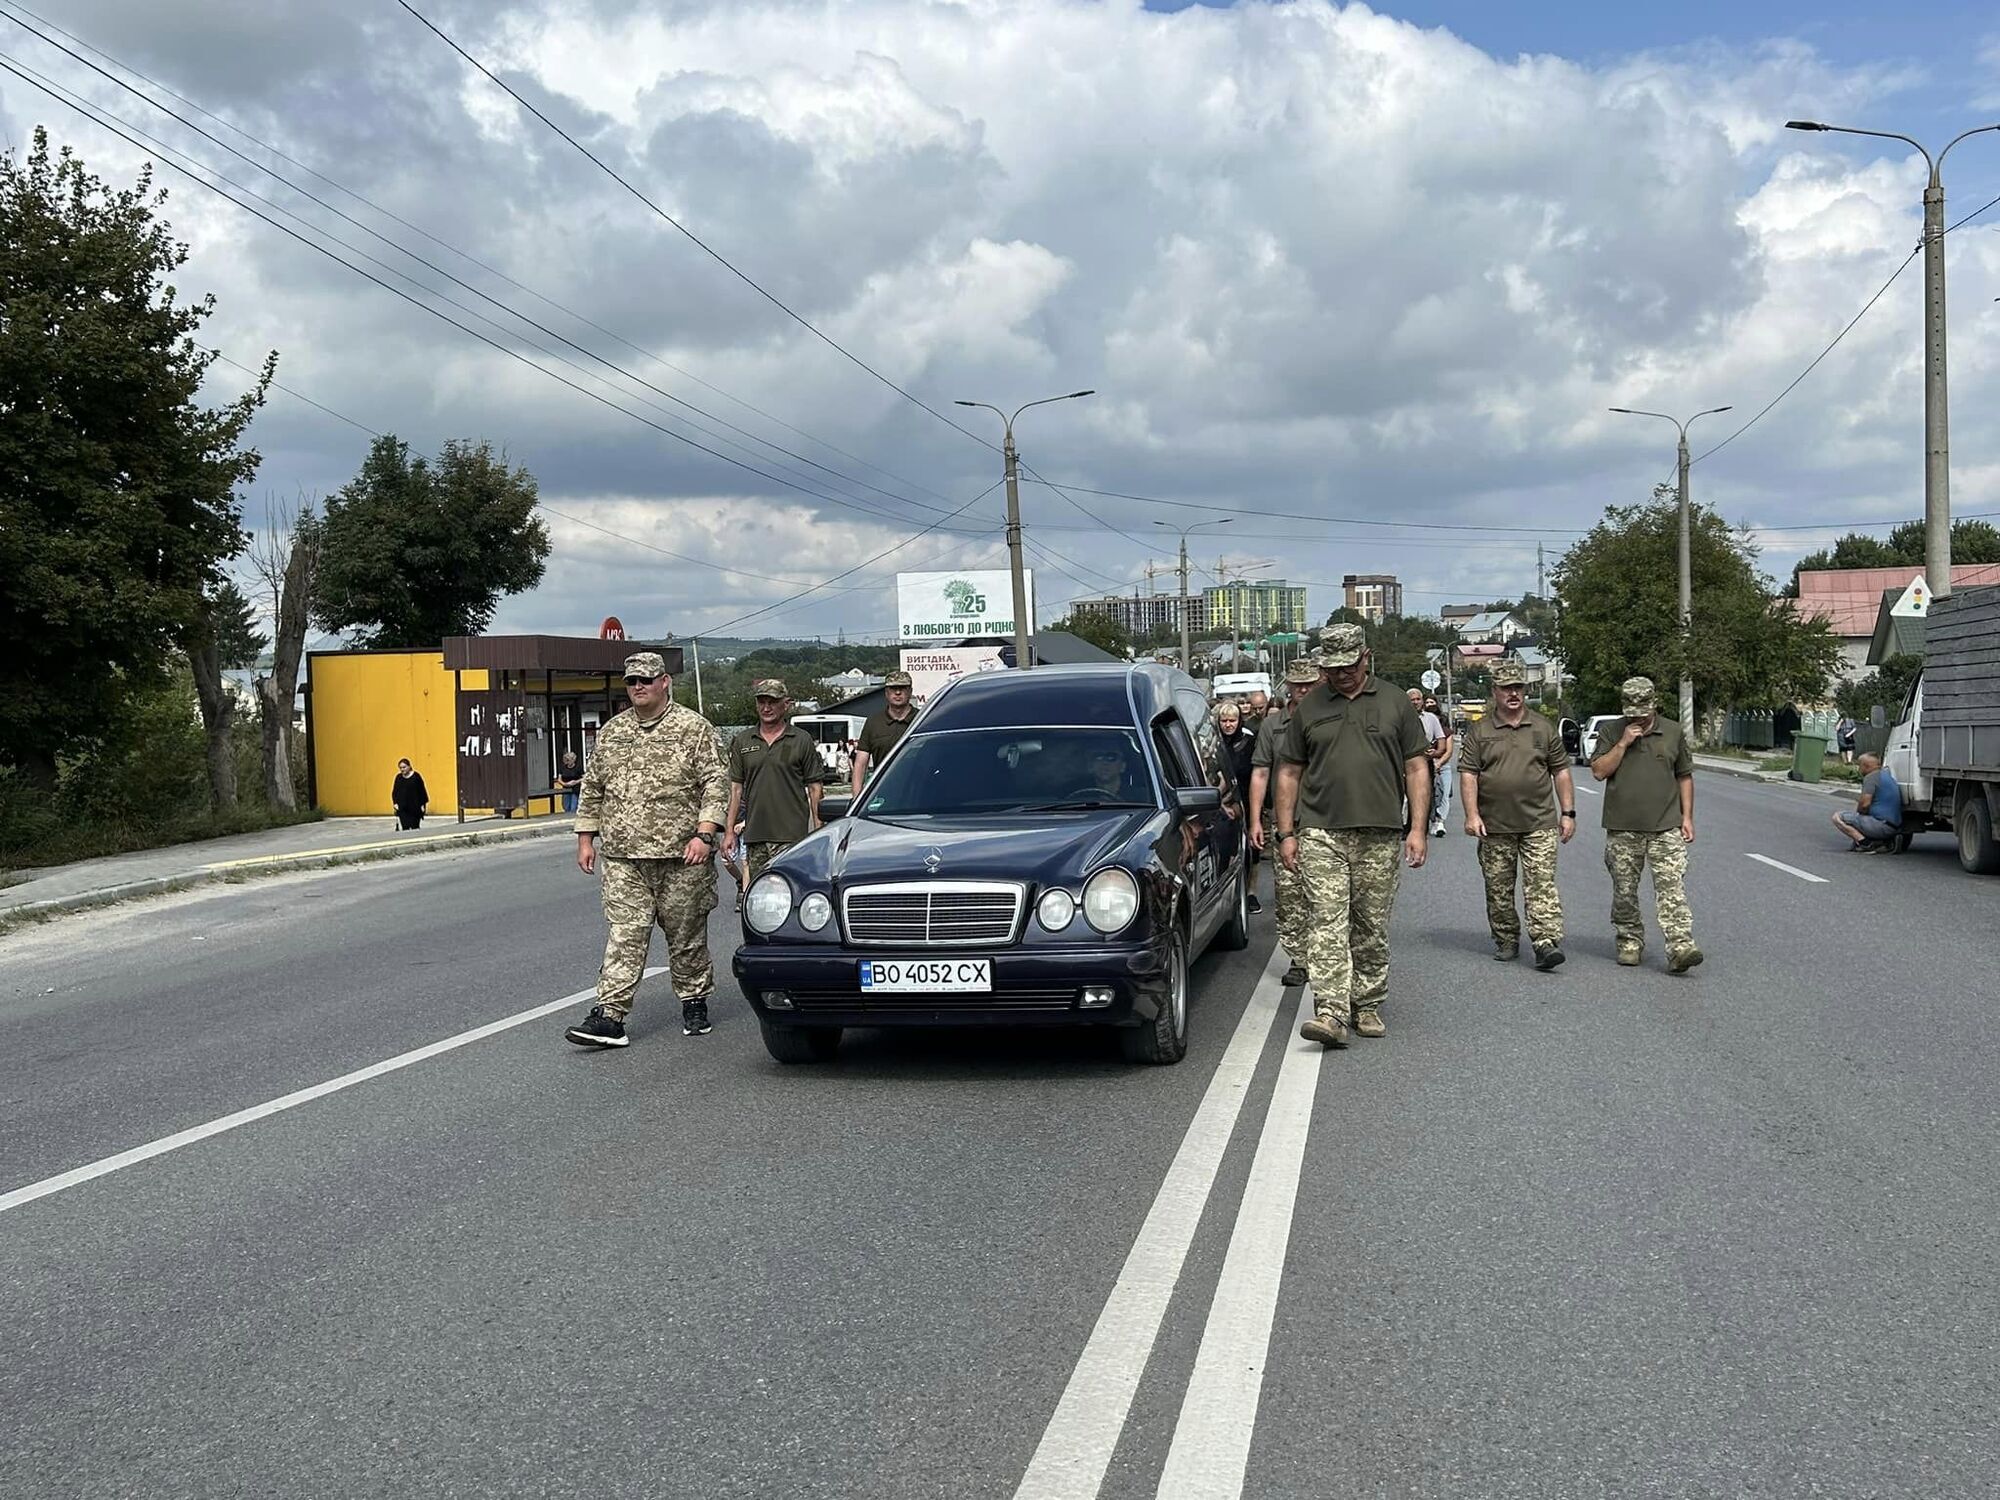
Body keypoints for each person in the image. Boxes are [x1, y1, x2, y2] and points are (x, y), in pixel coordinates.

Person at [564, 650, 729, 1049]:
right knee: (625, 934)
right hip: (624, 858)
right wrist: (586, 837)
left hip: (682, 857)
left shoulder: (694, 728)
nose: (638, 687)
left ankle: (694, 999)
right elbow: (594, 787)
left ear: (664, 682)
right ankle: (610, 1016)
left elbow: (715, 783)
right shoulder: (613, 732)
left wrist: (704, 835)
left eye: (646, 680)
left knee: (686, 936)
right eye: (631, 681)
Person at [1275, 624, 1431, 1047]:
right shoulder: (1309, 707)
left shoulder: (1395, 701)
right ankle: (1330, 1012)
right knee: (1326, 919)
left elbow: (1417, 767)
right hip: (1321, 831)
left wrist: (1417, 828)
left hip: (1379, 833)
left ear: (1366, 657)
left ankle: (1367, 1003)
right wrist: (1286, 832)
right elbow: (1289, 771)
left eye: (1348, 666)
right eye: (1332, 668)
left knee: (1370, 925)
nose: (1340, 675)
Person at [1460, 659, 1576, 969]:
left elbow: (1561, 771)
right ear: (1494, 691)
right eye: (1507, 688)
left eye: (1518, 688)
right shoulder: (1480, 731)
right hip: (1495, 826)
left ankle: (1545, 941)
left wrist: (1568, 812)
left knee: (1541, 883)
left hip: (1538, 822)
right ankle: (1506, 938)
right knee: (1498, 886)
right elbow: (1469, 774)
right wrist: (1472, 815)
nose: (1514, 694)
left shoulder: (1542, 727)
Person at [1589, 675, 1700, 974]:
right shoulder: (1612, 731)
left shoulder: (1673, 731)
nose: (1638, 717)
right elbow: (1599, 771)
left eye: (1644, 711)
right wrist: (1624, 743)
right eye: (1632, 712)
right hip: (1623, 828)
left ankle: (1680, 947)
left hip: (1666, 827)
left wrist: (1686, 817)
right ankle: (1629, 941)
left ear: (1654, 706)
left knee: (1671, 887)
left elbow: (1684, 776)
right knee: (1625, 890)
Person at [1251, 657, 1324, 986]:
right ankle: (1300, 958)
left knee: (1326, 895)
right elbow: (1260, 772)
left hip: (1327, 819)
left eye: (1309, 683)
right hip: (1287, 822)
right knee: (1290, 895)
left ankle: (1327, 958)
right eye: (1298, 684)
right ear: (1289, 687)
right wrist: (1255, 820)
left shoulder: (1333, 719)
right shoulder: (1273, 725)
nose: (1304, 689)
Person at [723, 679, 829, 888]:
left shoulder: (801, 739)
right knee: (759, 897)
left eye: (772, 702)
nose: (766, 708)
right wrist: (729, 832)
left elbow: (815, 789)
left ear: (785, 704)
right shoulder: (743, 741)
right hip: (755, 836)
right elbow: (736, 790)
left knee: (793, 893)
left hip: (792, 837)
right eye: (761, 702)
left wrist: (819, 832)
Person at [852, 671, 918, 797]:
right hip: (883, 795)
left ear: (910, 691)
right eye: (893, 688)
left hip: (917, 794)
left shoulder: (922, 720)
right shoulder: (873, 723)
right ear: (886, 693)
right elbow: (860, 763)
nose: (898, 693)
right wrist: (856, 798)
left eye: (902, 688)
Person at [1832, 752, 1903, 852]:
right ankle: (1883, 842)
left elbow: (1865, 805)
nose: (1859, 768)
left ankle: (1865, 843)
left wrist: (1859, 814)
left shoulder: (1871, 778)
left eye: (1859, 765)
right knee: (1859, 818)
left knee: (1838, 817)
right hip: (1894, 826)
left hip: (1880, 825)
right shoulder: (1887, 776)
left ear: (1866, 766)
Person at [1406, 688, 1452, 837]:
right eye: (1412, 700)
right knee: (1406, 795)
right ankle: (1407, 826)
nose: (1415, 702)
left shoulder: (1431, 718)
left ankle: (1422, 828)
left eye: (1418, 699)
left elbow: (1442, 741)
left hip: (1426, 762)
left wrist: (1436, 753)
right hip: (1406, 762)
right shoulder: (1402, 718)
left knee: (1425, 795)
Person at [390, 758, 428, 830]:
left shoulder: (416, 777)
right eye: (400, 768)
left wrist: (423, 805)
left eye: (404, 767)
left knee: (415, 827)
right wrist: (395, 803)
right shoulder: (398, 778)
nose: (402, 769)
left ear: (409, 766)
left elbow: (422, 791)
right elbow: (395, 792)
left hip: (415, 808)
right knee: (405, 827)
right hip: (403, 808)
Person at [554, 750, 583, 814]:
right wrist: (564, 783)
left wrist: (575, 782)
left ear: (573, 760)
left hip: (575, 789)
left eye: (569, 760)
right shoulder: (563, 768)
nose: (567, 762)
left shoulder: (578, 767)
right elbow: (559, 779)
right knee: (565, 806)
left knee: (573, 807)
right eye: (566, 760)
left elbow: (584, 778)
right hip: (565, 789)